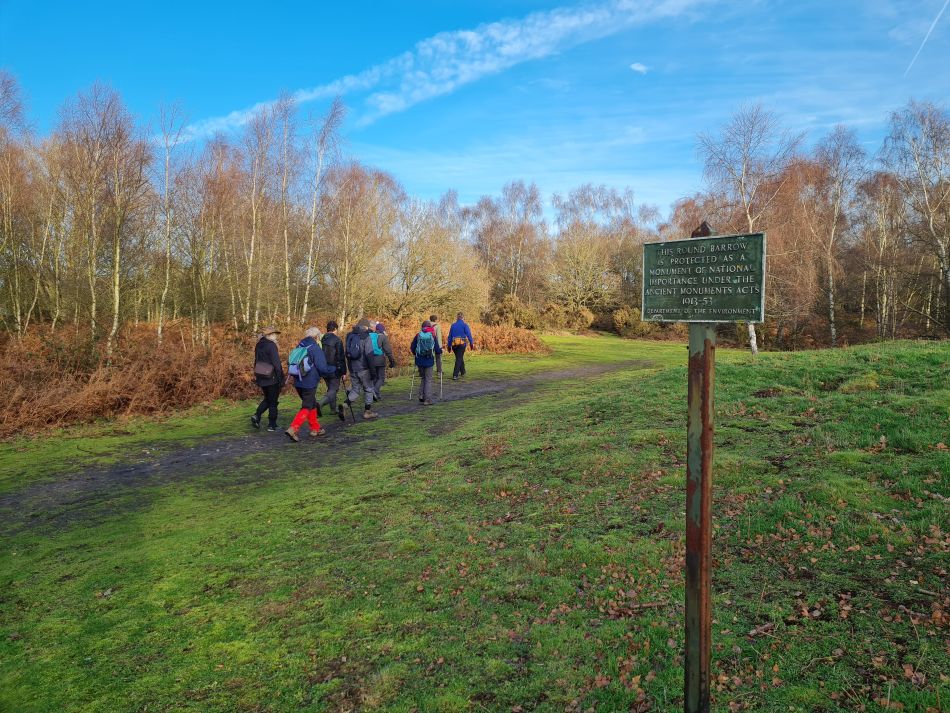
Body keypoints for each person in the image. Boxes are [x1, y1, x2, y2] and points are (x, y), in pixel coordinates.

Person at [286, 327, 338, 442]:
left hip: (298, 381)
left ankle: (315, 429)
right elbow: (322, 368)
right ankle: (293, 428)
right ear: (317, 337)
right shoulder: (315, 348)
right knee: (307, 406)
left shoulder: (300, 346)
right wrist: (334, 369)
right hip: (309, 382)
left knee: (312, 404)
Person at [344, 319, 379, 420]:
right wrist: (373, 371)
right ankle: (367, 412)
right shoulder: (366, 336)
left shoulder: (349, 335)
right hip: (364, 368)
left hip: (352, 368)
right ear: (365, 327)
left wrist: (349, 367)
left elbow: (347, 352)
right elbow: (369, 355)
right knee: (368, 389)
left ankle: (345, 405)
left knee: (355, 389)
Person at [251, 326, 284, 432]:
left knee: (268, 399)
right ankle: (272, 425)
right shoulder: (271, 345)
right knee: (273, 402)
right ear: (269, 335)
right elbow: (277, 364)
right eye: (274, 334)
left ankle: (257, 416)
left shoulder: (259, 344)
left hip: (261, 375)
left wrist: (257, 376)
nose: (276, 336)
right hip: (272, 377)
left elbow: (256, 361)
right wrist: (281, 377)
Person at [319, 320, 347, 421]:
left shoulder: (321, 339)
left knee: (330, 389)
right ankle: (321, 403)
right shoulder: (337, 340)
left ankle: (333, 409)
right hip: (334, 369)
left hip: (323, 368)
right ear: (335, 329)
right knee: (334, 389)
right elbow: (340, 357)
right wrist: (343, 372)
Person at [410, 319, 442, 405]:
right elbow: (437, 350)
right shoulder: (432, 336)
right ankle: (427, 399)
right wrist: (440, 351)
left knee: (423, 378)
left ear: (422, 327)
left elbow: (412, 348)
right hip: (429, 360)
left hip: (419, 360)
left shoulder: (418, 335)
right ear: (430, 327)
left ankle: (421, 395)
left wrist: (416, 353)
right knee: (428, 379)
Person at [369, 321, 396, 400]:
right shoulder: (383, 337)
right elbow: (388, 351)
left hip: (370, 360)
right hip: (380, 359)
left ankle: (376, 395)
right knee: (381, 378)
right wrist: (392, 361)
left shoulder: (370, 336)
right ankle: (375, 391)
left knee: (374, 377)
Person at [447, 312, 474, 381]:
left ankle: (463, 371)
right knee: (459, 358)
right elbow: (469, 334)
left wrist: (449, 346)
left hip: (454, 344)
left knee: (459, 357)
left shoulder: (453, 325)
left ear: (457, 317)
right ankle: (455, 375)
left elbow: (449, 336)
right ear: (463, 317)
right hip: (462, 344)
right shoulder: (465, 325)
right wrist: (471, 343)